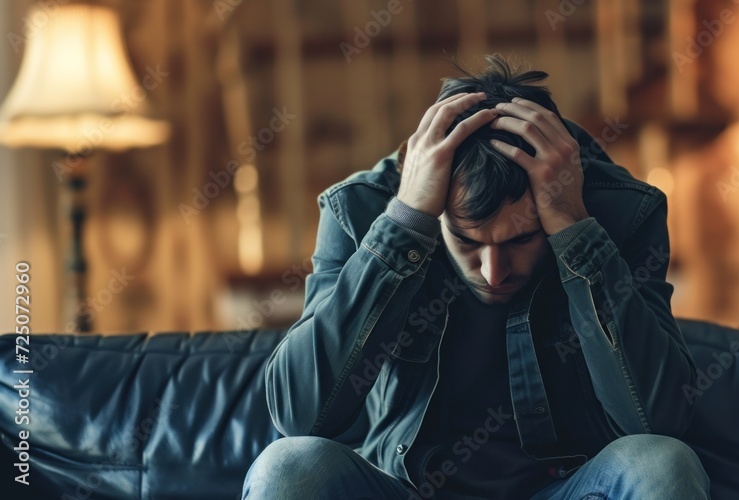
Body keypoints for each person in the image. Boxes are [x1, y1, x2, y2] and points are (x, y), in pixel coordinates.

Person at [242, 54, 709, 499]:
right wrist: (403, 227)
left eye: (521, 241)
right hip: (404, 488)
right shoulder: (360, 210)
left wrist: (574, 230)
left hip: (571, 489)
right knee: (288, 464)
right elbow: (301, 414)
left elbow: (657, 419)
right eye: (467, 241)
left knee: (663, 462)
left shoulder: (622, 211)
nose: (493, 271)